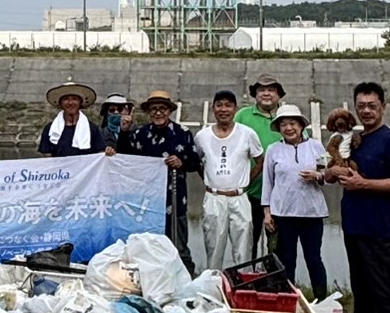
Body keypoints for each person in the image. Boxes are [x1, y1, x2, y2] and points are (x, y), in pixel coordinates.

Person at [326, 80, 390, 313]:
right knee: (360, 282)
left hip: (380, 225)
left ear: (383, 107)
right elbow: (336, 167)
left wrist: (365, 183)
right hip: (353, 222)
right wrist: (334, 171)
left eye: (372, 106)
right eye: (361, 106)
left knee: (383, 286)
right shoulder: (354, 139)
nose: (366, 111)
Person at [121, 91, 198, 277]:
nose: (158, 113)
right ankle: (150, 279)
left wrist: (181, 162)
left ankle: (186, 280)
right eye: (154, 109)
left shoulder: (183, 134)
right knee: (148, 246)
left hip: (176, 199)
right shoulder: (140, 135)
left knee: (179, 246)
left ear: (169, 111)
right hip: (147, 203)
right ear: (148, 112)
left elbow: (195, 162)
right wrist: (124, 132)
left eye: (162, 109)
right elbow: (124, 159)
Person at [261, 104, 330, 301]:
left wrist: (317, 176)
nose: (288, 128)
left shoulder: (315, 146)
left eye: (292, 123)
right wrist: (267, 213)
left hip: (312, 213)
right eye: (283, 124)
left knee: (314, 259)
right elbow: (268, 182)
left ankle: (320, 302)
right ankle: (286, 300)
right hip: (283, 214)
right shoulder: (273, 150)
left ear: (301, 126)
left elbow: (327, 176)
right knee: (286, 261)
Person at [195, 89, 263, 271]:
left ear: (235, 109)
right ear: (213, 109)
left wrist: (247, 180)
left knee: (243, 250)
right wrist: (210, 180)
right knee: (214, 247)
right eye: (219, 105)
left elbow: (260, 159)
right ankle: (213, 289)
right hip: (214, 198)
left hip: (239, 198)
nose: (223, 109)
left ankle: (242, 291)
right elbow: (198, 162)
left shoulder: (247, 134)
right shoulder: (202, 136)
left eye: (228, 105)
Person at [234, 74, 286, 252]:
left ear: (279, 95)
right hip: (250, 192)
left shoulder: (287, 116)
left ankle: (275, 278)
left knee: (278, 244)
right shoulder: (242, 116)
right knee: (249, 241)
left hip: (281, 194)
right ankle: (249, 277)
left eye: (271, 90)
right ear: (255, 94)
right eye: (261, 90)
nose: (266, 94)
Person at [38, 81, 106, 157]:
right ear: (61, 103)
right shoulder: (50, 129)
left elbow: (100, 154)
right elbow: (47, 156)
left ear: (80, 103)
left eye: (75, 99)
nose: (70, 103)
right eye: (66, 99)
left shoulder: (92, 129)